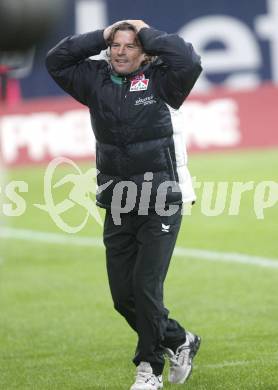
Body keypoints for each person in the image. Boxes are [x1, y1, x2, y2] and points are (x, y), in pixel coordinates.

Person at [46, 19, 202, 390]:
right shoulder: (95, 80)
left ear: (145, 51)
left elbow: (190, 61)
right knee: (124, 297)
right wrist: (100, 35)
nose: (120, 51)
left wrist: (147, 32)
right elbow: (57, 60)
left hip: (163, 198)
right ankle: (180, 340)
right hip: (118, 201)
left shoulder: (166, 80)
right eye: (115, 45)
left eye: (130, 45)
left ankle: (149, 370)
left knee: (146, 289)